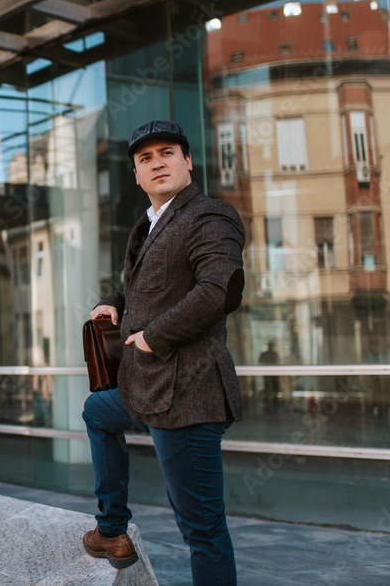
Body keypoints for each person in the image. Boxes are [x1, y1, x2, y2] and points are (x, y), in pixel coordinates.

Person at [81, 120, 245, 585]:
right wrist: (115, 301)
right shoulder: (150, 224)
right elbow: (149, 286)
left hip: (190, 396)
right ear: (136, 173)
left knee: (203, 531)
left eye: (167, 153)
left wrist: (156, 334)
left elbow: (220, 289)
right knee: (97, 410)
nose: (158, 163)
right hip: (148, 387)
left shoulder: (210, 215)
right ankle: (112, 530)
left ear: (188, 161)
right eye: (145, 158)